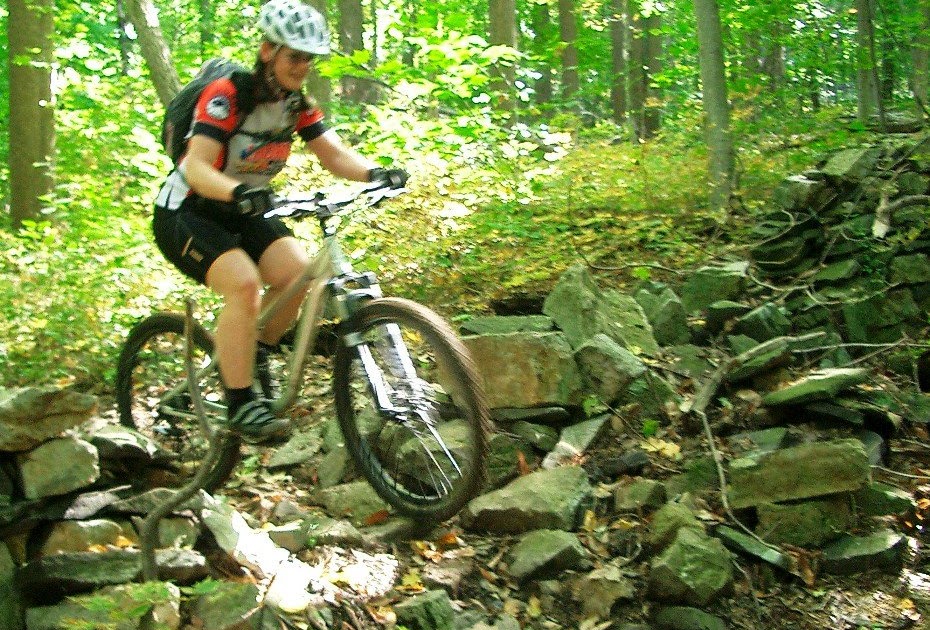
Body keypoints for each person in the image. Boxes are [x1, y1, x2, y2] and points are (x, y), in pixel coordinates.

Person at [152, 0, 407, 443]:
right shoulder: (226, 96)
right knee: (244, 283)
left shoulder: (295, 104)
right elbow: (196, 167)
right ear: (268, 50)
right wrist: (237, 191)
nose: (303, 66)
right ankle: (239, 403)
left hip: (248, 208)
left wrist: (374, 174)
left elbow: (333, 154)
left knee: (298, 275)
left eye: (310, 58)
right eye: (295, 55)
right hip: (188, 212)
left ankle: (255, 354)